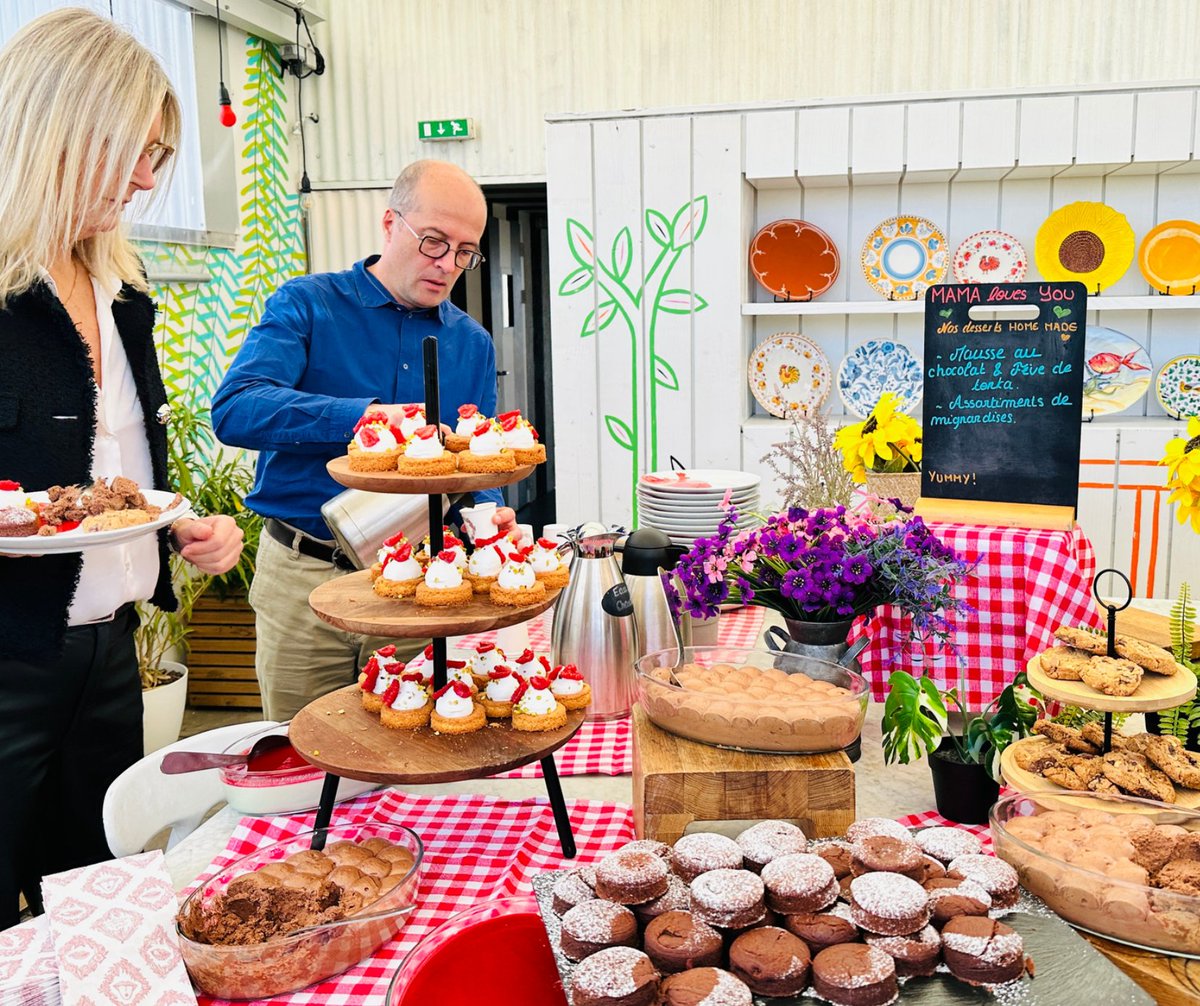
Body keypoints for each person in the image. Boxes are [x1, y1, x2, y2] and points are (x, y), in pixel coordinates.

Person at [0, 8, 244, 928]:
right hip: (7, 659)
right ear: (56, 129)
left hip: (108, 654)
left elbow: (117, 472)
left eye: (159, 153)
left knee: (100, 906)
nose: (148, 179)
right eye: (132, 149)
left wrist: (180, 527)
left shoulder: (122, 293)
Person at [213, 160, 515, 721]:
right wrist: (364, 419)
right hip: (304, 575)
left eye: (465, 251)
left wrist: (486, 508)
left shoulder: (470, 344)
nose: (448, 265)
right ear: (388, 223)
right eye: (433, 242)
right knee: (303, 749)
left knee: (412, 746)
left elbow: (476, 462)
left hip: (420, 583)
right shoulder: (308, 304)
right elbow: (236, 408)